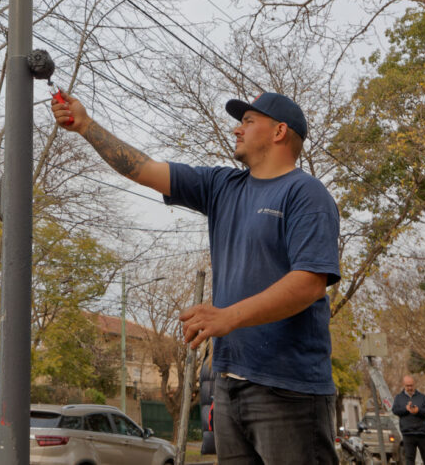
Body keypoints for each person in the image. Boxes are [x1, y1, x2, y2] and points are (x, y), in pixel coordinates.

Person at [53, 90, 341, 464]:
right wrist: (87, 126)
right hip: (228, 388)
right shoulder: (222, 187)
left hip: (288, 390)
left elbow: (309, 282)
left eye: (249, 121)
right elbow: (144, 169)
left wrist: (227, 316)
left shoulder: (306, 194)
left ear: (279, 131)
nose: (237, 129)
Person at [392, 375, 425, 465]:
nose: (410, 388)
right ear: (403, 385)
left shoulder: (422, 397)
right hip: (408, 433)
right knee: (409, 460)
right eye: (407, 386)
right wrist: (406, 409)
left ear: (414, 384)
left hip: (422, 433)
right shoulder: (399, 397)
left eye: (411, 385)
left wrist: (419, 411)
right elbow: (395, 410)